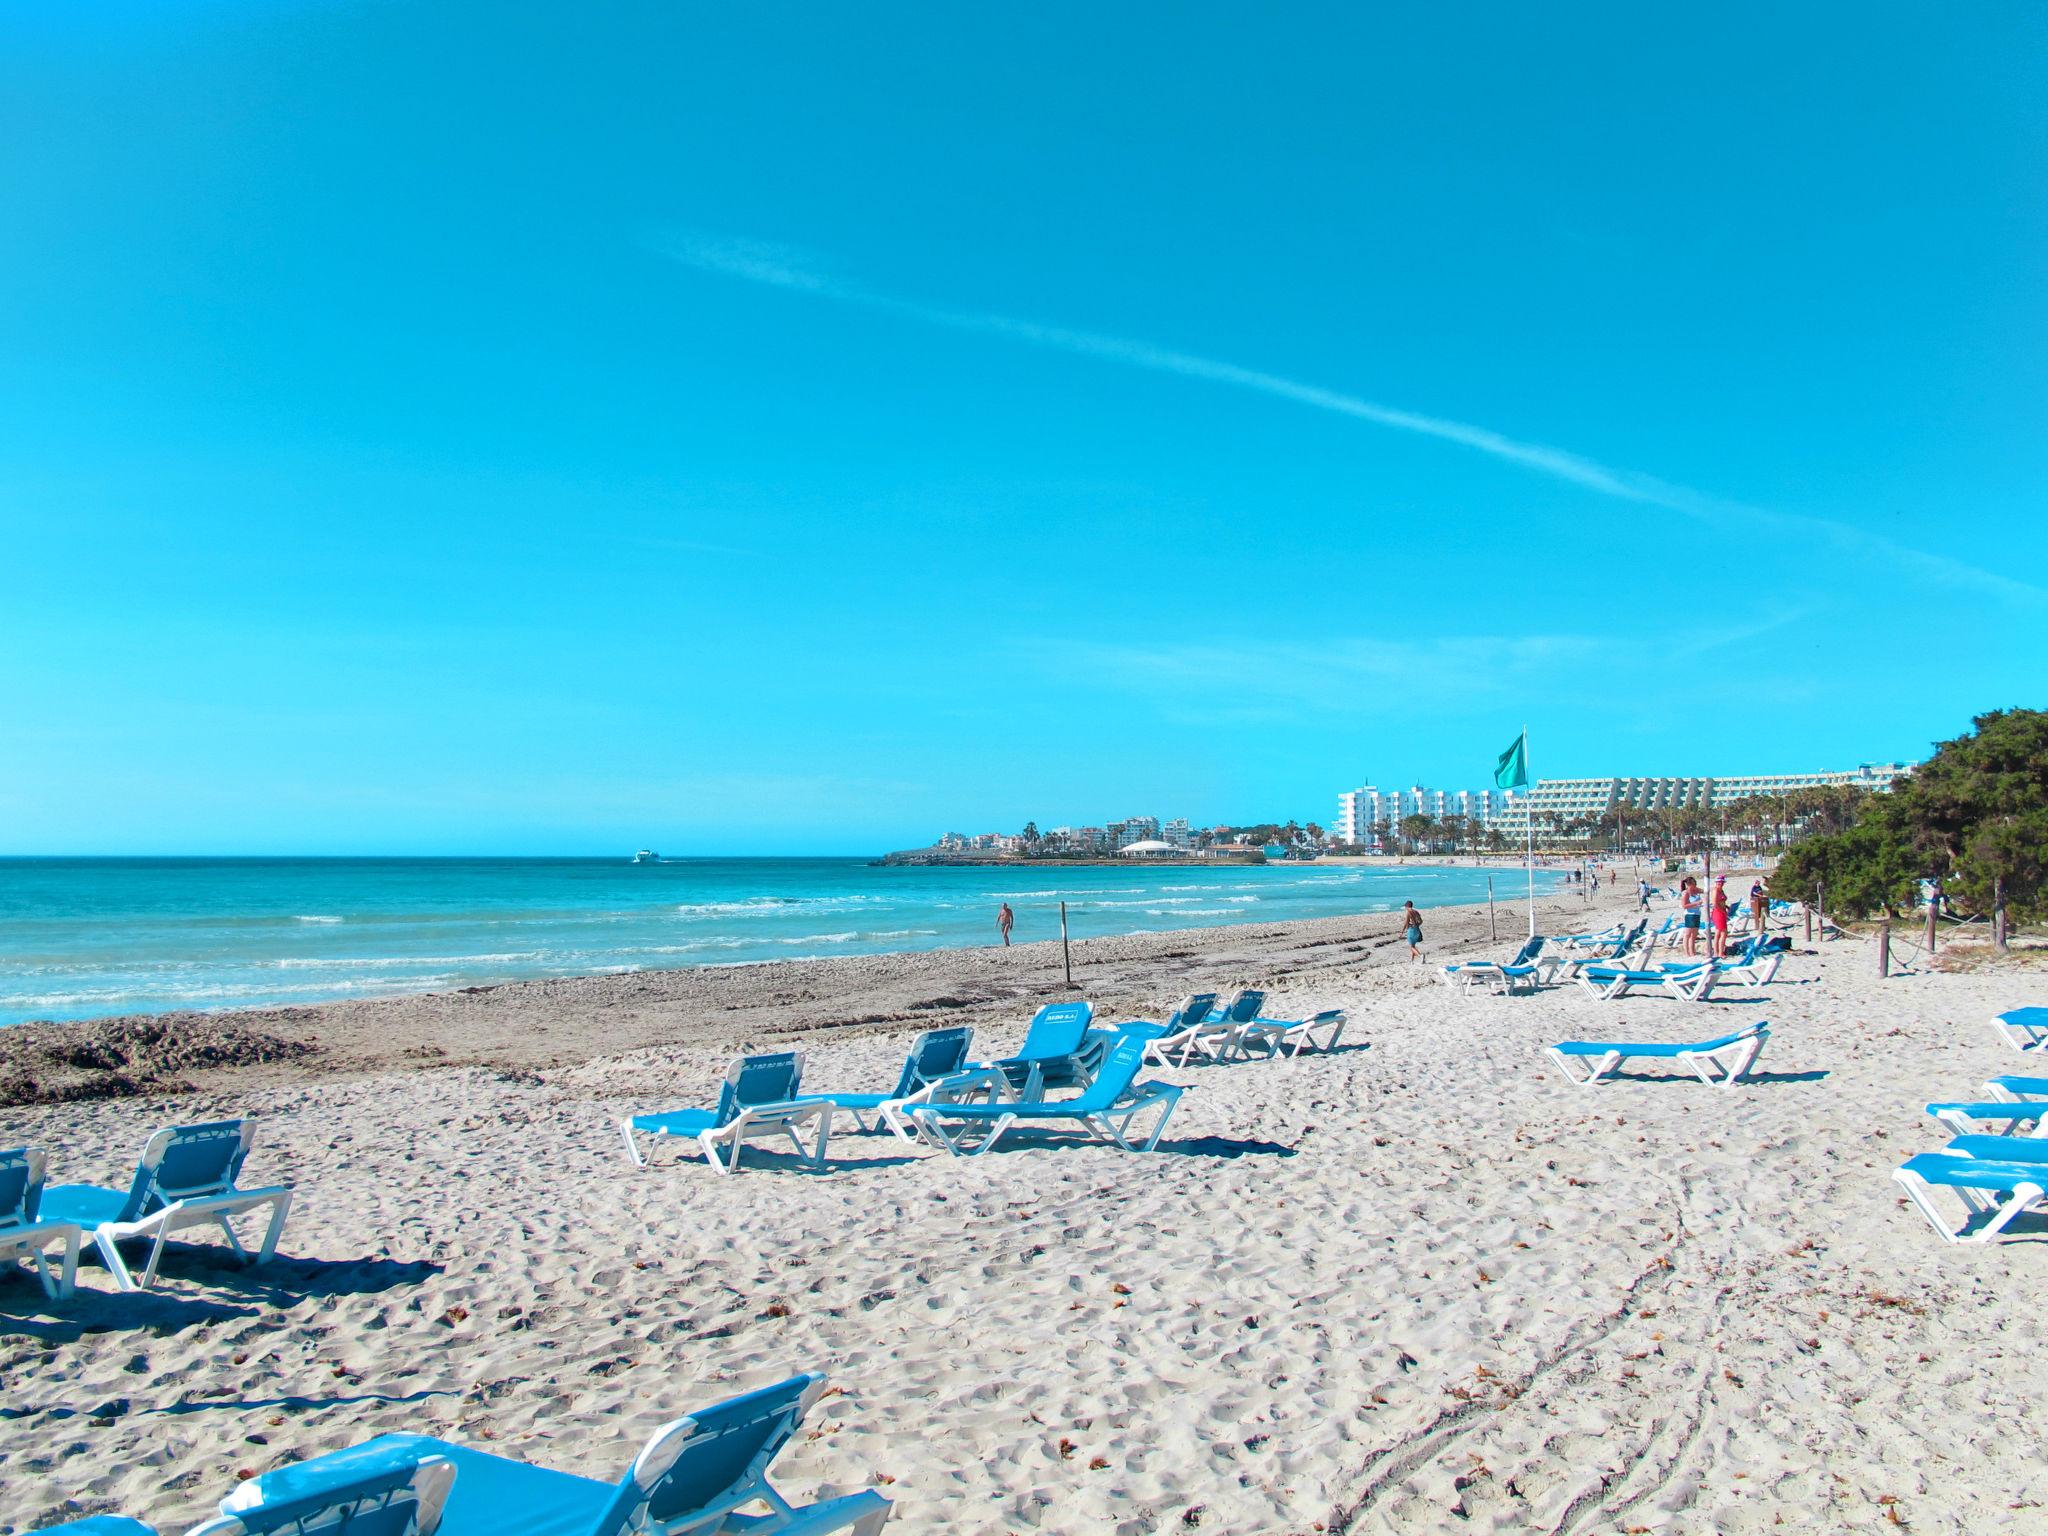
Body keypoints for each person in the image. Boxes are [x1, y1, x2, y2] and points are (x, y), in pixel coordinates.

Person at [1679, 877, 1703, 957]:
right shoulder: (1686, 893)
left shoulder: (1696, 891)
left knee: (1694, 935)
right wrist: (1696, 903)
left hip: (1697, 914)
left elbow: (1705, 891)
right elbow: (1684, 905)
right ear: (1690, 884)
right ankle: (1687, 952)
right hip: (1689, 914)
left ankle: (1692, 951)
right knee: (1687, 934)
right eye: (1693, 884)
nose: (1695, 885)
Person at [1709, 876, 1732, 958]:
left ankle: (1718, 951)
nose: (1720, 884)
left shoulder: (1721, 890)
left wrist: (1726, 906)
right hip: (1718, 913)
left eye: (1722, 882)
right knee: (1722, 933)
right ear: (1716, 882)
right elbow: (1714, 903)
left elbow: (1721, 901)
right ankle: (1719, 952)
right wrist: (1723, 911)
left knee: (1719, 933)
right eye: (1719, 882)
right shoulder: (1715, 890)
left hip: (1722, 911)